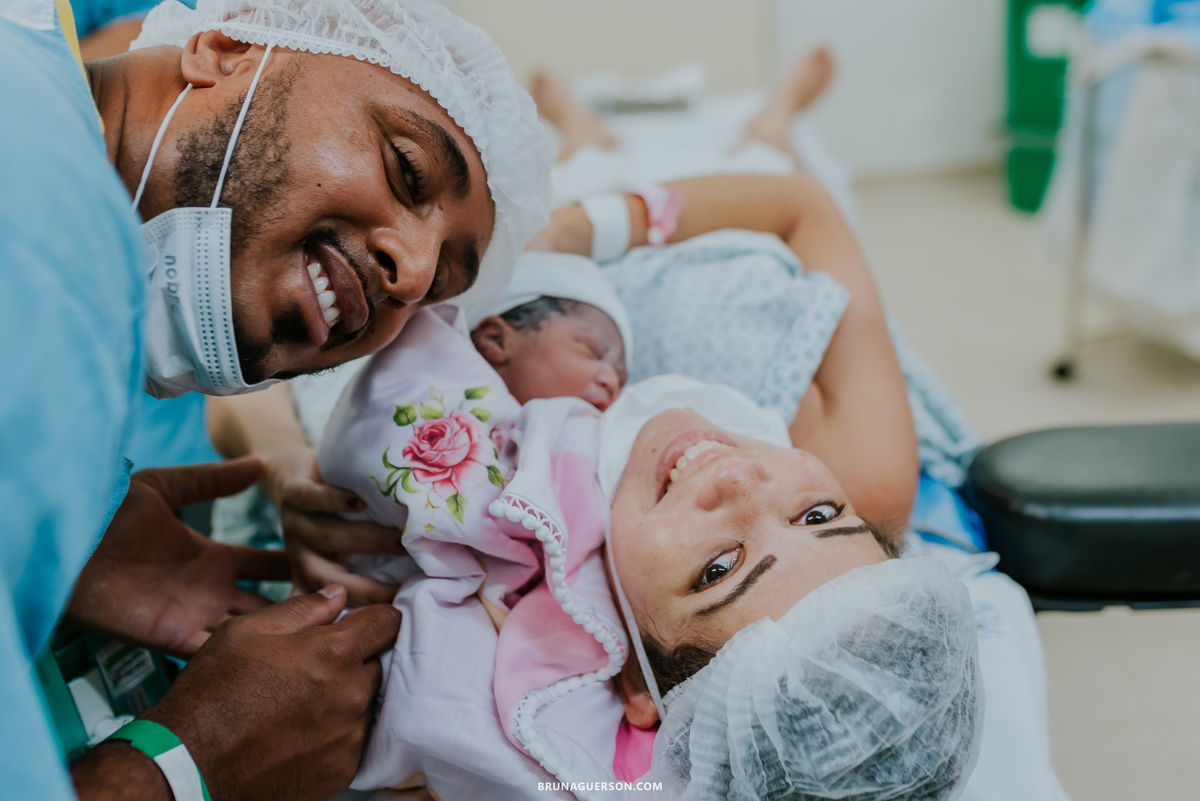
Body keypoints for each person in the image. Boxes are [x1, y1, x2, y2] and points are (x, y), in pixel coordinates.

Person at [0, 0, 552, 798]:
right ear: (225, 48)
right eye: (406, 168)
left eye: (441, 282)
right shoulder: (50, 252)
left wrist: (66, 552)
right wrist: (191, 759)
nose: (413, 273)